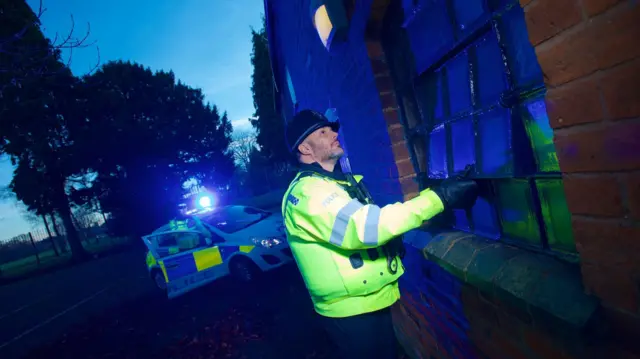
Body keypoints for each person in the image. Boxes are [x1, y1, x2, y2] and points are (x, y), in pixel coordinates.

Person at [281, 109, 478, 359]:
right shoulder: (310, 193)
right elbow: (365, 227)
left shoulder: (334, 183)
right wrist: (441, 198)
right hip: (351, 314)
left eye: (331, 128)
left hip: (367, 303)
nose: (333, 133)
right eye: (322, 132)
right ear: (306, 150)